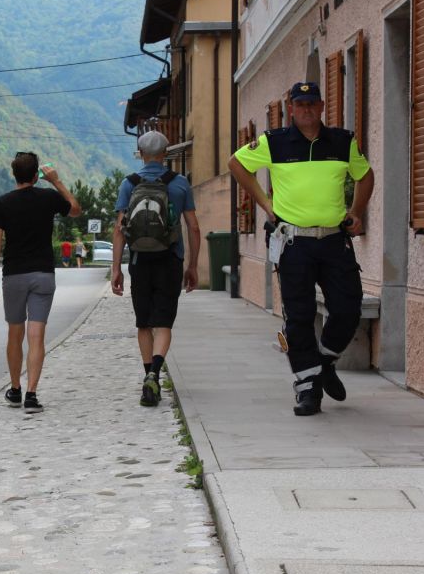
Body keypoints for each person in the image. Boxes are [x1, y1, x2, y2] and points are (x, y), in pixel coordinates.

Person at [228, 81, 374, 416]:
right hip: (294, 243)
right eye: (300, 104)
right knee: (299, 315)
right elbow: (236, 164)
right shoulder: (274, 142)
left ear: (322, 106)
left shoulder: (342, 141)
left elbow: (365, 177)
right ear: (291, 108)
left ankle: (324, 361)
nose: (306, 109)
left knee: (349, 307)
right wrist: (266, 205)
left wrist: (356, 212)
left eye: (312, 103)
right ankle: (308, 388)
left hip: (335, 240)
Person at [0, 152, 81, 413]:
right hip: (43, 274)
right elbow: (75, 209)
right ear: (37, 174)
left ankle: (15, 389)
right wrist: (57, 182)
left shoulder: (2, 203)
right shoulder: (49, 198)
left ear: (14, 174)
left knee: (15, 333)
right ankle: (31, 395)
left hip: (14, 275)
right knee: (36, 336)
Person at [111, 130, 200, 407]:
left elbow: (119, 229)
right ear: (165, 154)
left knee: (143, 322)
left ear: (141, 154)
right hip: (170, 260)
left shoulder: (129, 183)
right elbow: (194, 227)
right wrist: (193, 265)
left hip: (139, 261)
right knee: (163, 322)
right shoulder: (180, 183)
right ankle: (154, 374)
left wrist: (116, 268)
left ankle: (148, 376)